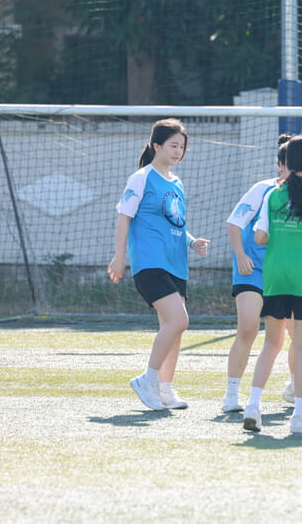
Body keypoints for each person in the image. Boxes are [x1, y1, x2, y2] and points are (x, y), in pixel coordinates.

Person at [222, 135, 302, 413]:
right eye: (286, 165)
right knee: (248, 328)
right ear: (281, 165)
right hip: (252, 270)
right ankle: (232, 393)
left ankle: (296, 387)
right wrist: (241, 256)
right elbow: (235, 223)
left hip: (283, 275)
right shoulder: (264, 191)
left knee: (296, 335)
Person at [108, 119, 210, 411]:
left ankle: (164, 389)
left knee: (174, 327)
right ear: (157, 146)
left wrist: (192, 242)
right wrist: (119, 257)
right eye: (173, 145)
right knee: (180, 321)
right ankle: (147, 380)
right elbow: (124, 217)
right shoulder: (141, 177)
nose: (178, 151)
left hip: (176, 264)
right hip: (150, 263)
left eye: (182, 146)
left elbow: (175, 222)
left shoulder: (177, 183)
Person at [242, 135, 302, 434]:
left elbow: (259, 237)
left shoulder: (272, 196)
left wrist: (282, 237)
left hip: (276, 277)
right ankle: (298, 415)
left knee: (271, 343)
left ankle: (253, 406)